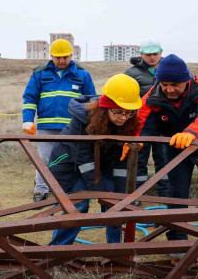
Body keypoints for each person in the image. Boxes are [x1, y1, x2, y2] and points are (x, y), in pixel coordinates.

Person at [137, 54, 198, 241]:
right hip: (175, 148)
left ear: (185, 80)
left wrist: (191, 132)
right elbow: (141, 120)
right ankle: (177, 241)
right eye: (164, 85)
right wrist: (135, 141)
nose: (169, 89)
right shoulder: (153, 95)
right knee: (176, 194)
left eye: (174, 85)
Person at [48, 74, 143, 245]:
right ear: (105, 109)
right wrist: (98, 189)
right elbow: (83, 158)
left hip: (100, 165)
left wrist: (120, 196)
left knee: (115, 205)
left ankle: (115, 250)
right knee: (78, 205)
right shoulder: (83, 121)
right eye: (118, 112)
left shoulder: (128, 124)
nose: (123, 117)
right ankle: (57, 250)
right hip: (70, 165)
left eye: (129, 113)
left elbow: (119, 161)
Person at [22, 39, 96, 202]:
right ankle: (41, 191)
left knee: (71, 159)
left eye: (65, 57)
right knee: (44, 159)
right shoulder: (40, 74)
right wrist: (28, 120)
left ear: (71, 55)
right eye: (57, 57)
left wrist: (91, 124)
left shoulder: (83, 75)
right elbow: (29, 98)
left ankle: (69, 191)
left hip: (73, 128)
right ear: (51, 56)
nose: (61, 61)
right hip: (46, 126)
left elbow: (91, 101)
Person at [124, 39, 169, 197]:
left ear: (160, 53)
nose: (152, 57)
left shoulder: (169, 69)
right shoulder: (131, 73)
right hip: (140, 123)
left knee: (164, 159)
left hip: (165, 123)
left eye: (155, 54)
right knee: (138, 159)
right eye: (148, 54)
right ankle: (137, 195)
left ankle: (165, 194)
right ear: (142, 54)